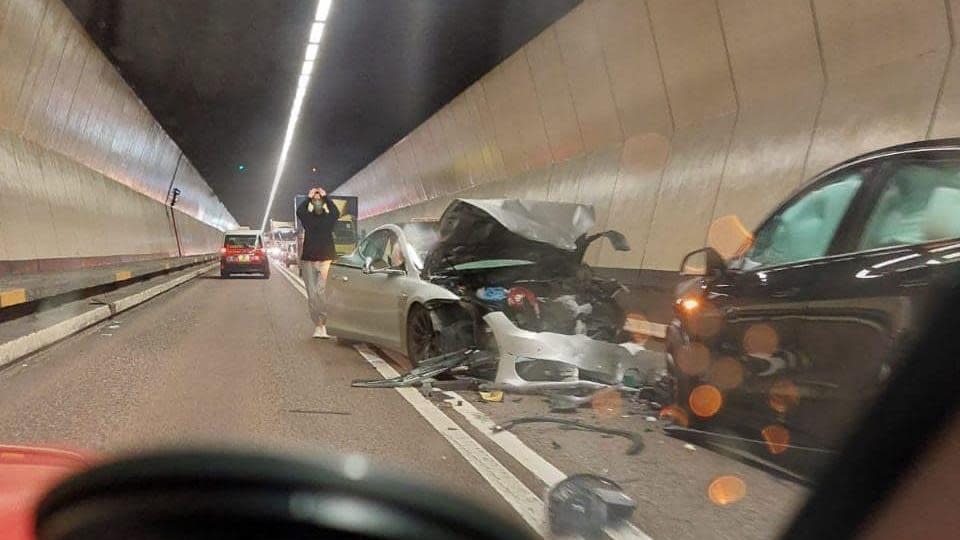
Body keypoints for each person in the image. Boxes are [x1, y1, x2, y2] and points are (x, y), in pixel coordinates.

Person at [296, 187, 340, 338]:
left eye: (319, 200)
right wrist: (308, 197)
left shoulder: (328, 218)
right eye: (314, 201)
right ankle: (318, 325)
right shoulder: (308, 219)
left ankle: (324, 322)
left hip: (326, 259)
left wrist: (326, 196)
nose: (317, 203)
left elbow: (336, 212)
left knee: (321, 291)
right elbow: (300, 211)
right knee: (312, 295)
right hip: (309, 260)